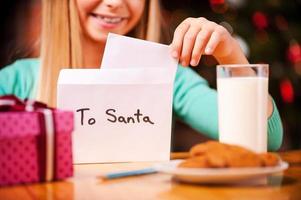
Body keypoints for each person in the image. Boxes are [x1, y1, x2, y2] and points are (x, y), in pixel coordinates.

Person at [0, 0, 283, 150]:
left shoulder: (170, 78)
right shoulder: (18, 81)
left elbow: (263, 139)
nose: (114, 2)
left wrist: (229, 52)